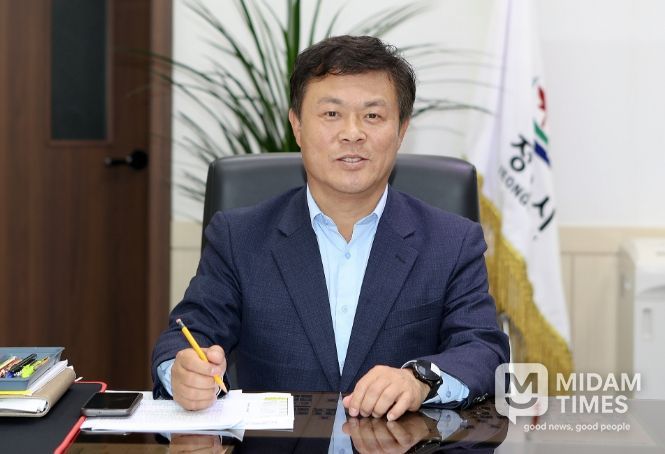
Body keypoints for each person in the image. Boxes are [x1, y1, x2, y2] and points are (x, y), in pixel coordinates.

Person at [152, 35, 509, 420]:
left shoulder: (452, 242)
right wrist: (182, 372)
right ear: (297, 126)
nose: (352, 133)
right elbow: (186, 336)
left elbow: (484, 350)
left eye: (373, 116)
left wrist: (420, 379)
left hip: (403, 443)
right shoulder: (240, 238)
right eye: (331, 114)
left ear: (402, 129)